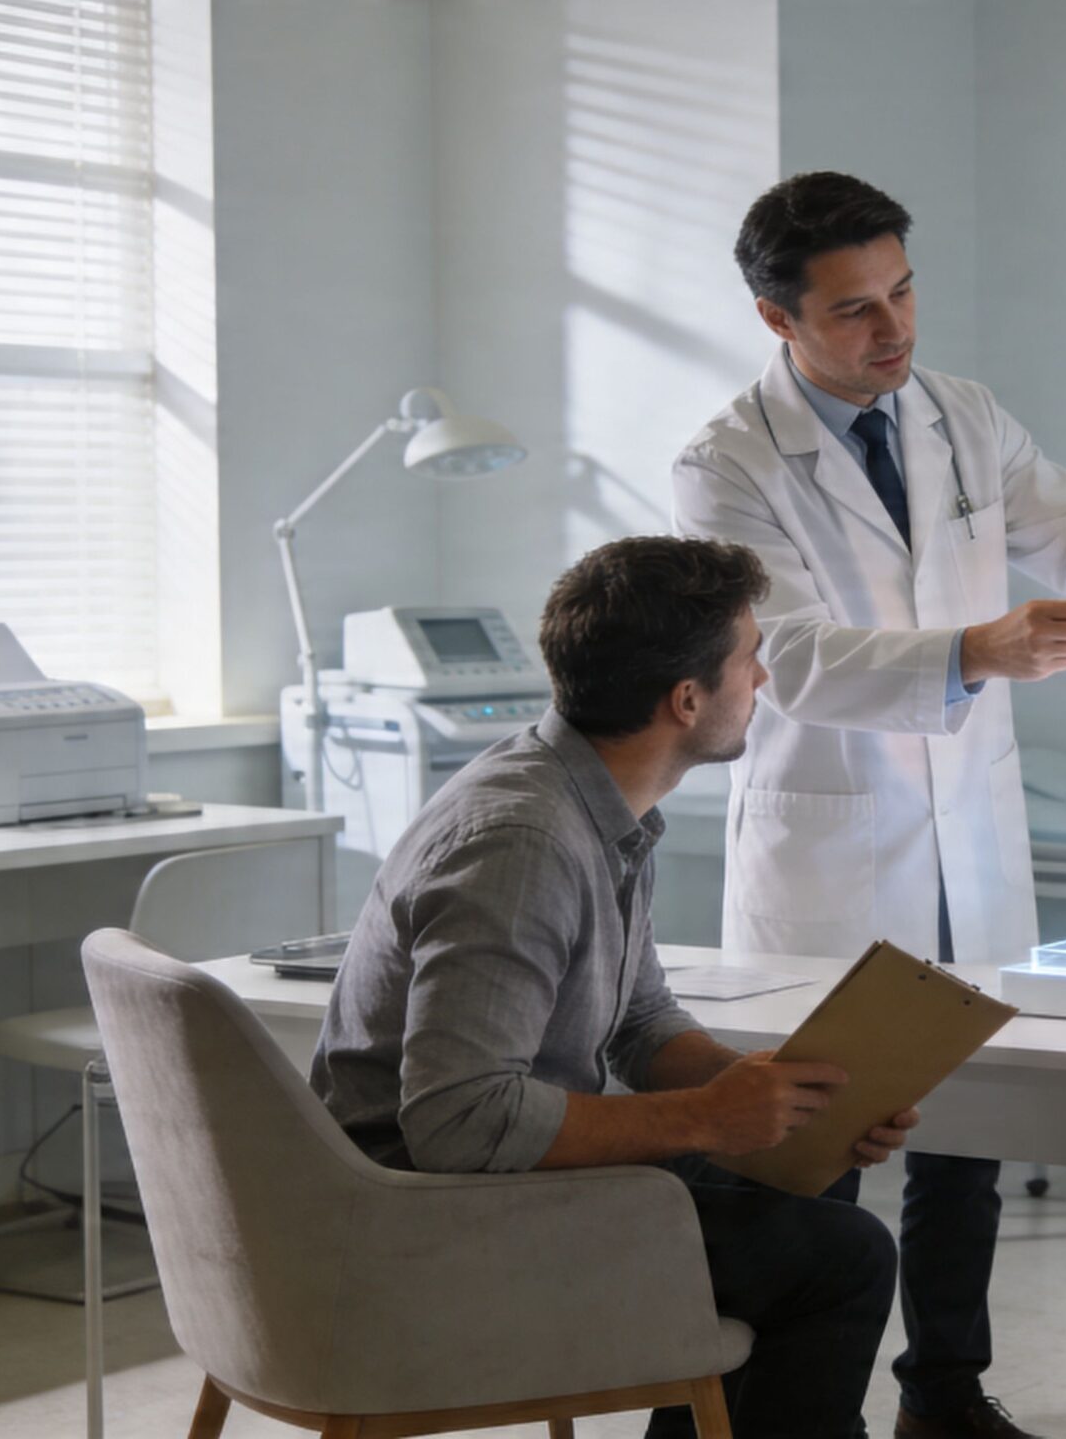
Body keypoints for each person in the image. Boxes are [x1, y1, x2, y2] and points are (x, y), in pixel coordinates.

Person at [673, 171, 1066, 1439]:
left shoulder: (960, 414)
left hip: (972, 840)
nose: (892, 330)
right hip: (833, 853)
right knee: (819, 1148)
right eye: (852, 311)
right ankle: (797, 1413)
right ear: (778, 322)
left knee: (967, 1140)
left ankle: (944, 1393)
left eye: (901, 293)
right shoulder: (726, 463)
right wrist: (971, 655)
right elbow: (784, 656)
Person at [311, 535, 916, 1439]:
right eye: (750, 657)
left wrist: (781, 1104)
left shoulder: (590, 797)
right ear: (686, 699)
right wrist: (711, 1119)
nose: (764, 678)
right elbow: (461, 1123)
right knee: (843, 1256)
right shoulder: (522, 844)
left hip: (484, 1185)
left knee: (810, 1181)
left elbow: (637, 1021)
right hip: (427, 1223)